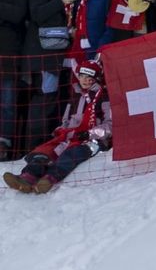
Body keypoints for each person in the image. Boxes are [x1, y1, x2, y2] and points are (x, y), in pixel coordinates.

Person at [4, 60, 109, 194]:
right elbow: (66, 119)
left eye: (90, 77)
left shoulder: (103, 97)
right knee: (45, 152)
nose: (85, 80)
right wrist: (60, 129)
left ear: (96, 79)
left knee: (72, 154)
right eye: (82, 76)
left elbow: (110, 125)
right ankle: (28, 176)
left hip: (90, 140)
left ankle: (49, 179)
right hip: (69, 136)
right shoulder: (75, 94)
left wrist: (91, 134)